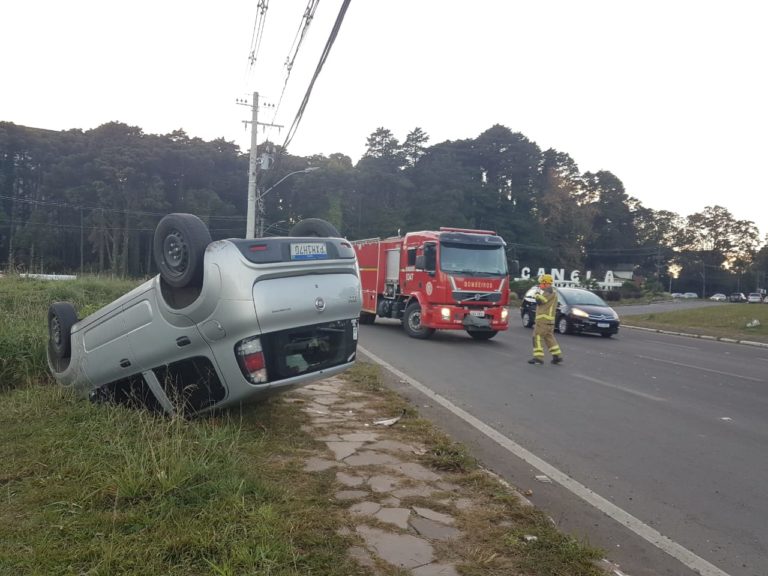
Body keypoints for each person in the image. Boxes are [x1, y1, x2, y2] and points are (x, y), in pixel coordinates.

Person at [528, 274, 563, 365]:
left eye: (541, 283)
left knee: (537, 337)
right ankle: (557, 356)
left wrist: (536, 294)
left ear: (545, 283)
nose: (540, 285)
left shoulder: (549, 291)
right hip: (549, 321)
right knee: (549, 338)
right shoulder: (553, 291)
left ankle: (538, 358)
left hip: (543, 320)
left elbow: (541, 301)